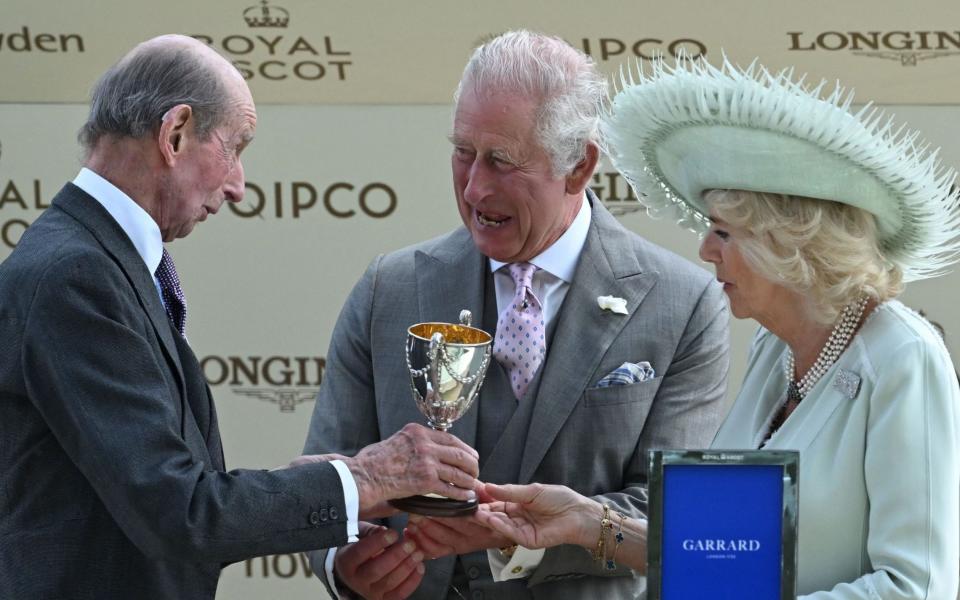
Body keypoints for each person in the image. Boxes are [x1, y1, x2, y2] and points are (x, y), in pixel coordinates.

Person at [0, 35, 480, 600]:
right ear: (175, 133)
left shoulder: (93, 260)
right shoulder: (75, 274)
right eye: (235, 147)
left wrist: (317, 486)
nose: (238, 185)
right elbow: (180, 512)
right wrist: (367, 478)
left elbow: (172, 493)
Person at [476, 56, 960, 599]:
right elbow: (724, 549)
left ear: (788, 242)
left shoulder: (902, 357)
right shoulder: (775, 346)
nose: (705, 250)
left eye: (724, 233)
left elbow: (917, 587)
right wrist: (588, 523)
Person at [303, 30, 730, 599]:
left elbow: (671, 520)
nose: (475, 188)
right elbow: (326, 477)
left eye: (502, 161)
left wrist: (520, 541)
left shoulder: (684, 304)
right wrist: (342, 559)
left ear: (579, 166)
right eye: (463, 152)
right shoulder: (390, 288)